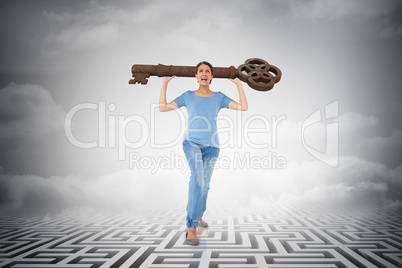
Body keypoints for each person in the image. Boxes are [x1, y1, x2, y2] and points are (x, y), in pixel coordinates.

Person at [159, 61, 248, 246]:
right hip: (191, 143)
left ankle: (199, 215)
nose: (204, 73)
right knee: (197, 180)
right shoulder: (188, 96)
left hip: (212, 147)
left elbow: (243, 107)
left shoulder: (219, 97)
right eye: (201, 71)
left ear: (212, 76)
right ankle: (191, 228)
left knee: (205, 185)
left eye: (208, 71)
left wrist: (239, 84)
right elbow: (163, 107)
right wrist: (165, 83)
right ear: (196, 76)